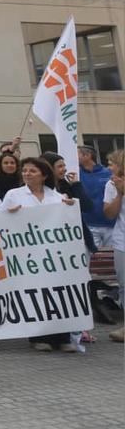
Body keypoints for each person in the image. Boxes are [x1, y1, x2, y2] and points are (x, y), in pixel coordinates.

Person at [1, 157, 78, 352]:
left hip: (54, 256)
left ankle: (63, 336)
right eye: (25, 170)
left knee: (59, 293)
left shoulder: (57, 197)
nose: (27, 174)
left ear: (43, 175)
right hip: (28, 255)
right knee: (36, 293)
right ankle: (39, 336)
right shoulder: (14, 195)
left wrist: (69, 209)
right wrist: (9, 214)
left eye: (32, 171)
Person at [101, 150, 122, 343]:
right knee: (123, 285)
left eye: (111, 163)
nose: (108, 167)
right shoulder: (111, 184)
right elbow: (109, 213)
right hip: (122, 241)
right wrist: (120, 194)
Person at [77, 146, 113, 249]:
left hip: (111, 224)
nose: (75, 157)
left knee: (113, 258)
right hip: (89, 225)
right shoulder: (76, 174)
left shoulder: (108, 173)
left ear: (87, 156)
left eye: (77, 154)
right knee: (94, 260)